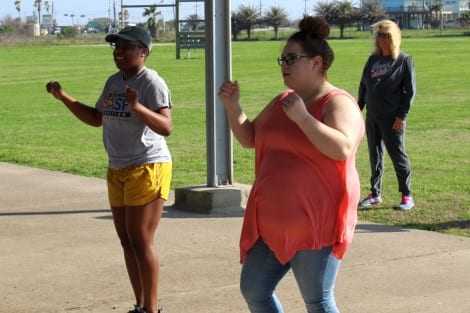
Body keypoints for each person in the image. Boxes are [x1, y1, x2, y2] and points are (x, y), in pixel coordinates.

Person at [218, 16, 364, 313]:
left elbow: (342, 147)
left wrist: (304, 118)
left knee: (318, 301)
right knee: (254, 289)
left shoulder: (337, 103)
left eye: (292, 58)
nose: (284, 64)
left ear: (317, 63)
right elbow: (250, 138)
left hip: (316, 224)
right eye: (282, 58)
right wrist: (234, 108)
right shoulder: (285, 100)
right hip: (274, 223)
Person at [46, 26, 172, 313]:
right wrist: (64, 97)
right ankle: (141, 306)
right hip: (117, 168)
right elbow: (95, 118)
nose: (118, 51)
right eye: (116, 46)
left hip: (147, 165)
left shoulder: (151, 82)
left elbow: (166, 127)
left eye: (126, 46)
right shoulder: (114, 81)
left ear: (144, 51)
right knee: (127, 240)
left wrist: (138, 108)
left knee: (141, 240)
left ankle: (151, 310)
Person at [357, 19, 416, 211]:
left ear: (394, 38)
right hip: (372, 116)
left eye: (386, 35)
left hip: (393, 118)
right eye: (379, 35)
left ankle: (407, 195)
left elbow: (410, 92)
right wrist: (358, 109)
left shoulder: (404, 60)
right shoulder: (373, 60)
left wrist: (402, 116)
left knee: (398, 155)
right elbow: (364, 86)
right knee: (375, 156)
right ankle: (375, 194)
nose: (382, 39)